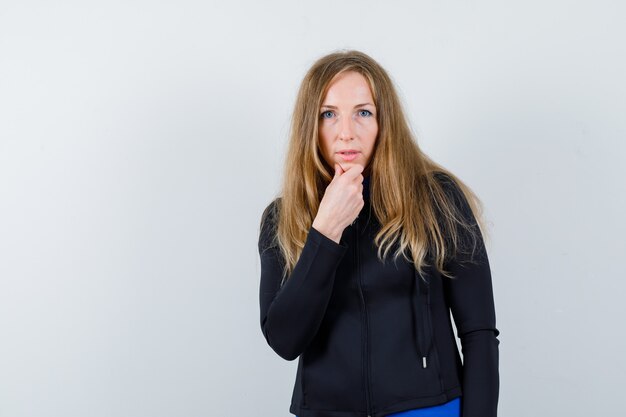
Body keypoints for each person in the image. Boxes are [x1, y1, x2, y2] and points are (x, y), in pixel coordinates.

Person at [257, 50, 500, 417]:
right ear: (311, 125)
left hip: (429, 409)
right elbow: (284, 339)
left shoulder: (437, 198)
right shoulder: (282, 217)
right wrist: (326, 230)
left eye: (363, 112)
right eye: (328, 114)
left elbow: (479, 333)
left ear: (385, 121)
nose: (346, 133)